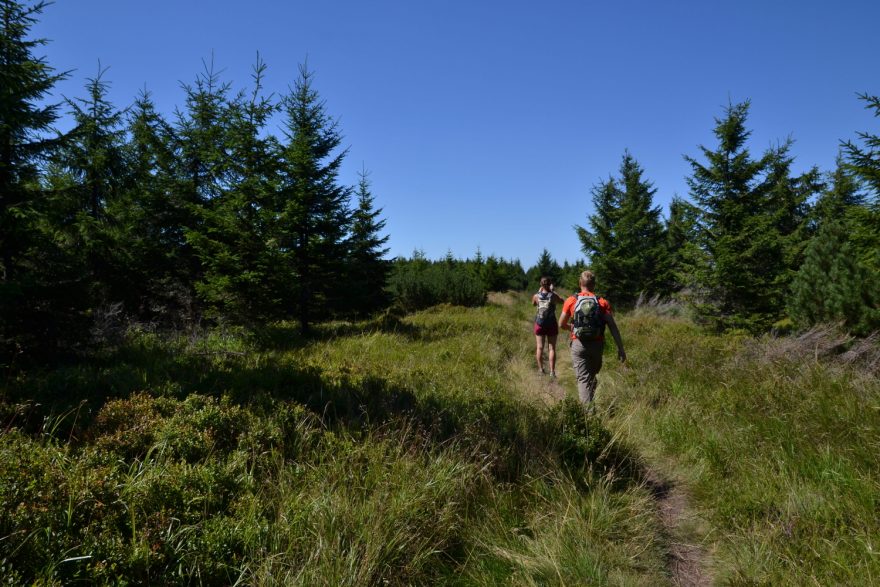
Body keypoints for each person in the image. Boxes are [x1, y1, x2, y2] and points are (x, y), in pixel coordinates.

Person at [558, 270, 626, 403]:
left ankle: (588, 416)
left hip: (578, 344)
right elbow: (612, 326)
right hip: (597, 345)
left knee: (584, 379)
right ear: (594, 284)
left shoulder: (571, 300)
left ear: (580, 283)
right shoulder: (602, 302)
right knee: (592, 375)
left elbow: (561, 324)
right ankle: (590, 410)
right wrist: (620, 348)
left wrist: (571, 328)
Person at [532, 276, 565, 377]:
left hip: (539, 323)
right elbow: (562, 301)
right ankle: (552, 372)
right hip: (551, 324)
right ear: (550, 284)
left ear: (541, 284)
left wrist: (539, 292)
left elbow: (533, 304)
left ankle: (541, 370)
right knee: (552, 348)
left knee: (540, 347)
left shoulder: (536, 296)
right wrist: (553, 291)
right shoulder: (553, 295)